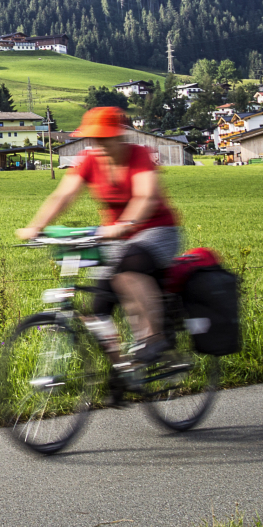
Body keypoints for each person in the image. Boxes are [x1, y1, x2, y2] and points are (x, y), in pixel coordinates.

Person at [17, 106, 183, 367]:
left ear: (120, 136)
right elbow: (63, 196)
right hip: (116, 238)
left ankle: (155, 338)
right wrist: (36, 227)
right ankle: (123, 372)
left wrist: (127, 222)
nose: (100, 144)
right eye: (95, 138)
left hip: (157, 230)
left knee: (128, 268)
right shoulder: (89, 160)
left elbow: (145, 196)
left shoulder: (137, 156)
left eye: (106, 137)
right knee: (97, 309)